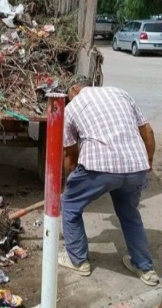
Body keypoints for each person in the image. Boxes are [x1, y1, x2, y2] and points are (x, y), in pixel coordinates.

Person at [58, 78, 158, 286]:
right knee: (129, 212)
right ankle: (144, 268)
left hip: (99, 167)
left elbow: (69, 155)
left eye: (68, 95)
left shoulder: (72, 107)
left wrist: (73, 185)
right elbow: (147, 131)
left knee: (69, 205)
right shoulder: (120, 93)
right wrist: (147, 161)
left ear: (75, 90)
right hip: (135, 167)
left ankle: (78, 261)